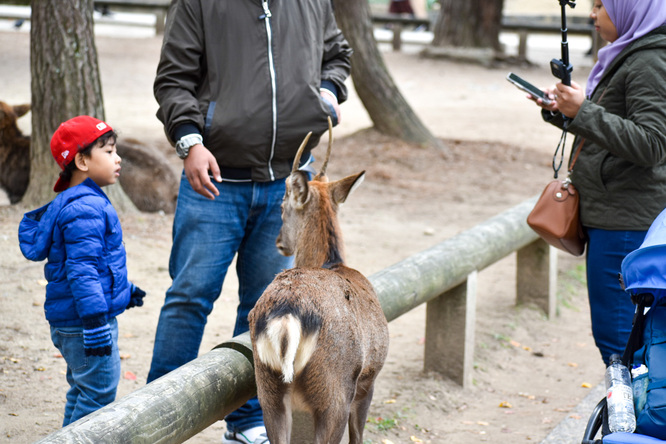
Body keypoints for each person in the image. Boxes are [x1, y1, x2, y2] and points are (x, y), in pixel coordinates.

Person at [146, 1, 352, 443]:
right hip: (216, 181)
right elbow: (173, 79)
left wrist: (329, 91)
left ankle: (245, 422)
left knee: (263, 308)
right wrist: (189, 141)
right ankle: (156, 419)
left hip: (287, 187)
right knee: (189, 297)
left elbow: (337, 56)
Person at [533, 0, 666, 365]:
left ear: (630, 9)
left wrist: (584, 111)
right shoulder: (631, 53)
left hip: (626, 222)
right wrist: (565, 113)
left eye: (600, 5)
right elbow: (616, 127)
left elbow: (653, 144)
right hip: (616, 212)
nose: (592, 14)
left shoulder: (649, 60)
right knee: (621, 336)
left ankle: (631, 419)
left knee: (620, 338)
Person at [18, 116, 146, 426]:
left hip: (75, 320)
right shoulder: (85, 207)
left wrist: (123, 292)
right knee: (98, 394)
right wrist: (95, 323)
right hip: (85, 324)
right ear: (81, 160)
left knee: (81, 391)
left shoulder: (78, 202)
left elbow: (93, 264)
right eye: (109, 152)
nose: (118, 159)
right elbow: (83, 271)